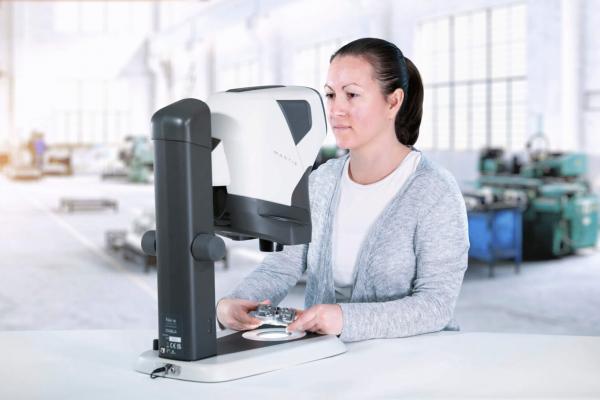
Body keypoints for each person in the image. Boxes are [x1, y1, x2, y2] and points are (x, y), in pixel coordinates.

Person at [216, 37, 469, 342]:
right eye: (331, 95)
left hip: (410, 367)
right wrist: (234, 303)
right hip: (329, 359)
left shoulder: (435, 192)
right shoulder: (321, 181)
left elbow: (436, 305)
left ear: (393, 102)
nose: (336, 110)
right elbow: (283, 265)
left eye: (351, 95)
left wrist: (343, 318)